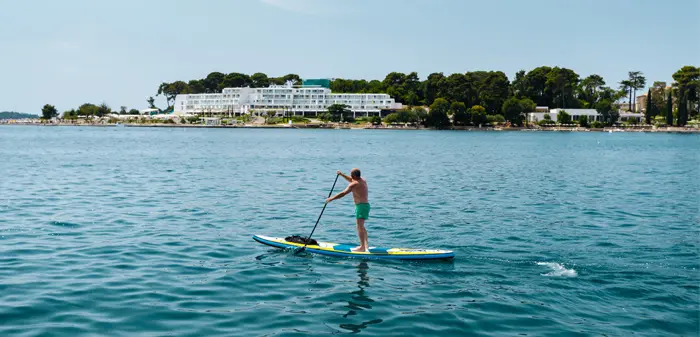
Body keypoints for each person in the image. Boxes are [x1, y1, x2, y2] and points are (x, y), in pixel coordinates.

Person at [325, 168, 370, 252]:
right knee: (362, 226)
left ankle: (362, 247)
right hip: (365, 206)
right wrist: (342, 175)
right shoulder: (362, 180)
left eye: (351, 175)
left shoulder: (353, 184)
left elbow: (343, 193)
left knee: (359, 226)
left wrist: (331, 199)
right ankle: (366, 245)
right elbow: (352, 180)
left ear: (354, 176)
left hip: (361, 207)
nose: (351, 177)